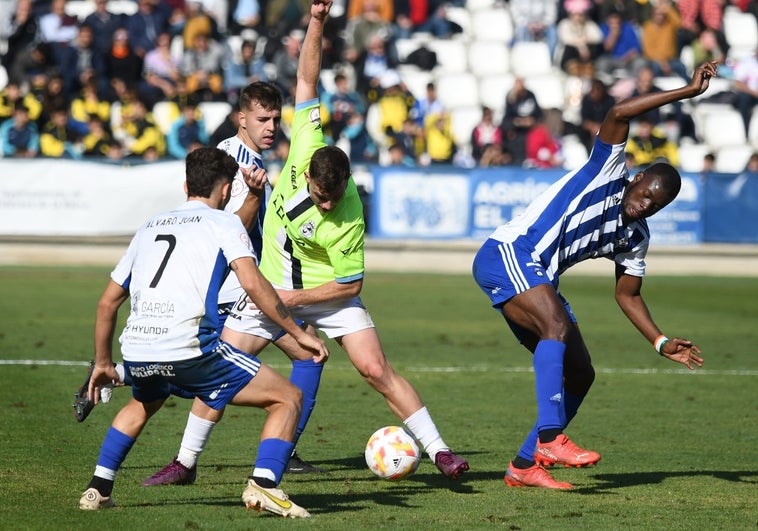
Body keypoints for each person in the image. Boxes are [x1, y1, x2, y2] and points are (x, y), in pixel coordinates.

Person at [222, 0, 469, 480]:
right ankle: (185, 458)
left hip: (321, 293)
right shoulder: (306, 141)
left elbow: (349, 286)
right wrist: (316, 20)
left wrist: (296, 298)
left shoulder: (350, 216)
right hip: (273, 282)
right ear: (310, 172)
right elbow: (307, 81)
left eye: (333, 198)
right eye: (320, 196)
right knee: (220, 369)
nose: (327, 204)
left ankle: (440, 451)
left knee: (376, 370)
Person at [471, 61, 714, 490]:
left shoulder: (636, 235)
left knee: (581, 373)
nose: (645, 206)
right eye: (645, 195)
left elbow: (629, 296)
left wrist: (659, 341)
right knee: (556, 324)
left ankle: (524, 465)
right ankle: (550, 438)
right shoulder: (607, 171)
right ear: (637, 179)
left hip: (538, 276)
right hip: (509, 252)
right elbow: (620, 112)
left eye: (655, 206)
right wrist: (685, 92)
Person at [77, 146, 328, 517]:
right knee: (287, 397)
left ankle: (97, 489)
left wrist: (102, 362)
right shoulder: (223, 224)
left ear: (185, 185)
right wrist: (298, 332)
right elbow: (255, 285)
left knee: (144, 402)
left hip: (138, 348)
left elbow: (106, 303)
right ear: (226, 191)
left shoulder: (150, 226)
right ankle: (265, 486)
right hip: (192, 349)